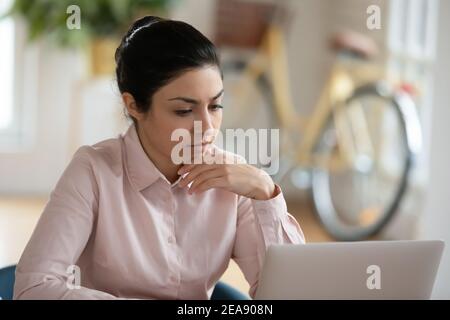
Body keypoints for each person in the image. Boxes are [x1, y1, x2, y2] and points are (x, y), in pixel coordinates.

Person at [14, 16, 305, 300]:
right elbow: (33, 288)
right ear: (134, 106)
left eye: (215, 105)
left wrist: (264, 190)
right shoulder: (92, 171)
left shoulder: (233, 180)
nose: (207, 126)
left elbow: (290, 294)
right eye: (183, 111)